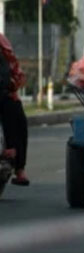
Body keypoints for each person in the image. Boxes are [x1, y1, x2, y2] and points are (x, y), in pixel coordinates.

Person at [0, 32, 30, 186]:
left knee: (19, 120)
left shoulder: (2, 44)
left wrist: (10, 83)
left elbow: (11, 69)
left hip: (3, 91)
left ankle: (19, 168)